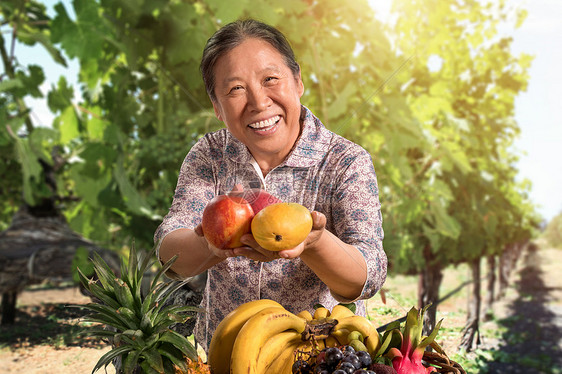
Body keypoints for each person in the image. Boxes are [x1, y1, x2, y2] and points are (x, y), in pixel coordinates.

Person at [154, 19, 387, 352]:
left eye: (270, 79)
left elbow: (368, 277)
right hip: (226, 357)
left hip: (319, 359)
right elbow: (169, 255)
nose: (258, 102)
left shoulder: (345, 161)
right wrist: (210, 243)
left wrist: (314, 243)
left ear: (298, 81)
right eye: (235, 89)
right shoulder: (208, 155)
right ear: (217, 108)